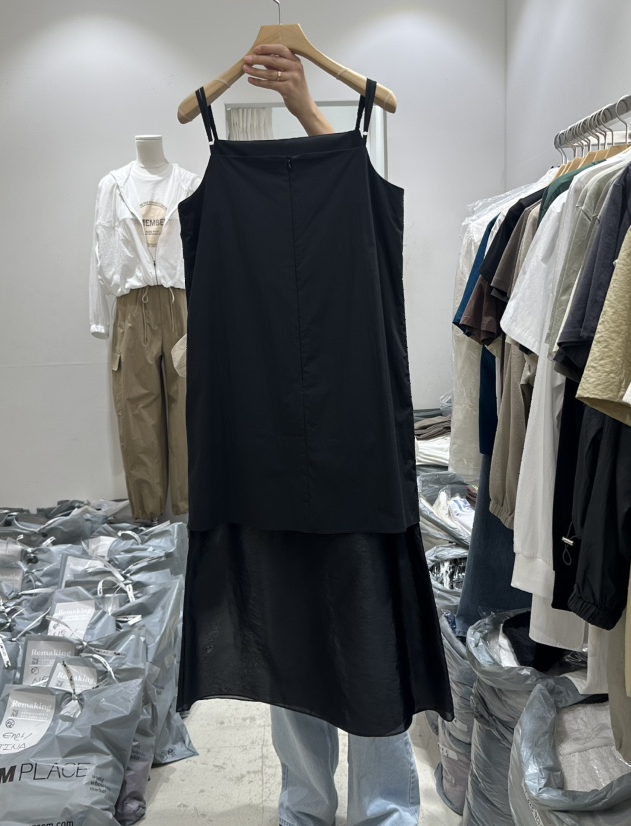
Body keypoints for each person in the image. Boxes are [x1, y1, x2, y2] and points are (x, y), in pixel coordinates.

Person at [235, 43, 423, 826]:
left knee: (370, 630)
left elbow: (365, 193)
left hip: (360, 444)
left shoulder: (356, 186)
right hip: (264, 447)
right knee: (289, 638)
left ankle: (383, 810)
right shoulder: (229, 192)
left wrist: (306, 109)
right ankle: (305, 808)